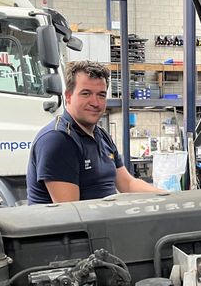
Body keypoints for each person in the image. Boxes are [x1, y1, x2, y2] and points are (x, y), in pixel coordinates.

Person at [26, 60, 162, 204]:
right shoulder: (58, 140)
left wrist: (167, 196)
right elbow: (71, 212)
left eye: (101, 95)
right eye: (86, 93)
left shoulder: (102, 135)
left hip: (102, 222)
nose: (95, 102)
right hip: (77, 224)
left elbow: (127, 184)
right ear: (68, 96)